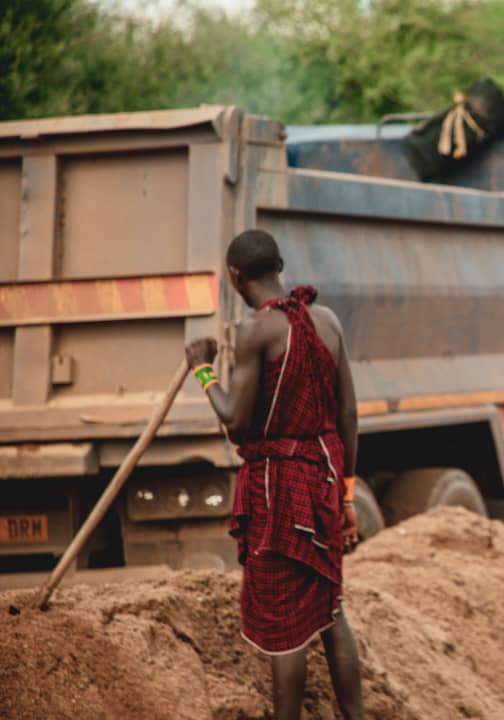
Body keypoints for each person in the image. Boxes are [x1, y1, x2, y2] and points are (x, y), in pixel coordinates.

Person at [185, 229, 364, 720]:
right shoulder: (326, 322)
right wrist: (346, 497)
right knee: (330, 608)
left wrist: (203, 370)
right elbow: (348, 416)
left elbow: (237, 421)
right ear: (279, 266)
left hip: (278, 490)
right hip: (325, 480)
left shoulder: (256, 332)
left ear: (236, 277)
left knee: (283, 622)